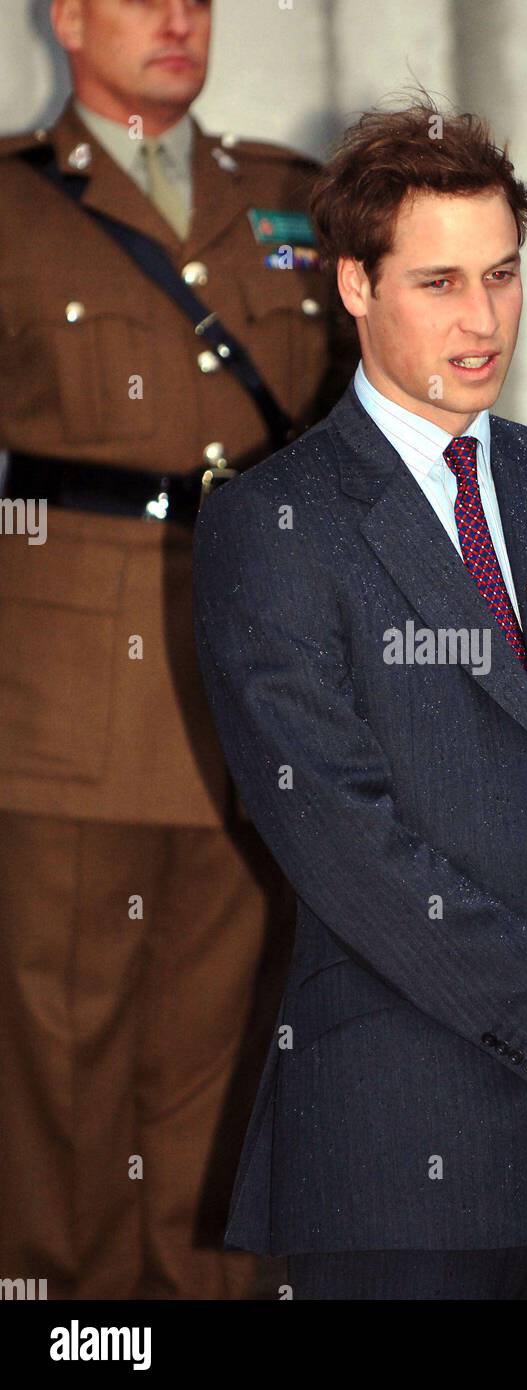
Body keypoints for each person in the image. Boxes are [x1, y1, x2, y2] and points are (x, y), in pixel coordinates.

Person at [192, 99, 527, 1301]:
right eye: (437, 281)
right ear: (353, 286)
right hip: (399, 1149)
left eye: (501, 274)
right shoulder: (272, 525)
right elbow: (347, 843)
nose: (480, 320)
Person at [0, 0, 355, 1300]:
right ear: (66, 19)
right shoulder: (15, 204)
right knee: (56, 1053)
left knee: (232, 1034)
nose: (175, 19)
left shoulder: (288, 199)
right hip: (61, 699)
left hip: (255, 680)